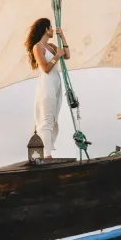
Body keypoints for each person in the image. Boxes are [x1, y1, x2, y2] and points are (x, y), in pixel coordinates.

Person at [24, 17, 71, 160]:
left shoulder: (51, 46)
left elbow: (67, 55)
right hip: (47, 85)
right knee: (46, 119)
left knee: (53, 118)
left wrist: (62, 37)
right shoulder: (37, 47)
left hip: (56, 84)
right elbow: (45, 68)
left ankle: (47, 151)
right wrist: (57, 56)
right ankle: (46, 155)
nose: (52, 30)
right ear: (46, 29)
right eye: (50, 27)